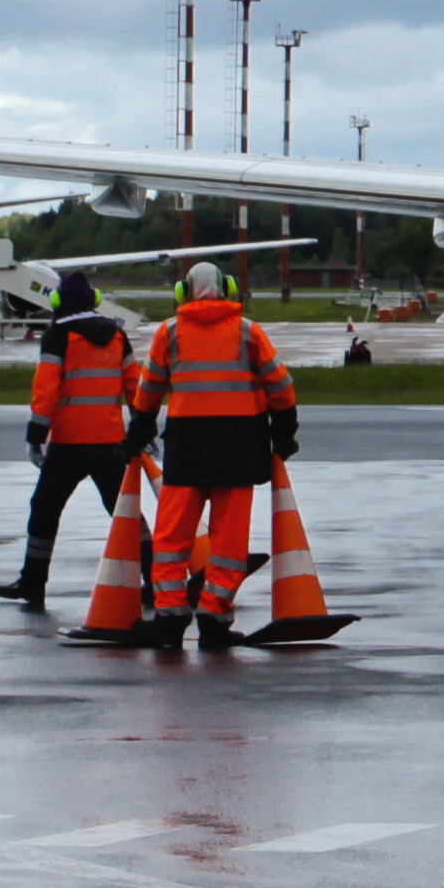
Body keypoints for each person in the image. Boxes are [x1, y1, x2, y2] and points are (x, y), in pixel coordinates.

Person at [126, 261, 296, 650]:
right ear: (230, 289)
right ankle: (214, 619)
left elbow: (148, 391)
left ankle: (169, 618)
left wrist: (137, 434)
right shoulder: (248, 332)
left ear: (183, 291)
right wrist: (284, 433)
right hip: (240, 448)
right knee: (229, 540)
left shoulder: (168, 333)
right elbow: (281, 387)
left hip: (187, 448)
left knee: (171, 536)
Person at [0, 267, 137, 610]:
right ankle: (156, 579)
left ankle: (33, 583)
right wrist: (143, 430)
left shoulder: (58, 335)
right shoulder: (117, 335)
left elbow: (46, 391)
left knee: (44, 510)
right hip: (110, 442)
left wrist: (34, 437)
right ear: (94, 300)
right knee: (125, 514)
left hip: (68, 443)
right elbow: (135, 386)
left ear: (57, 301)